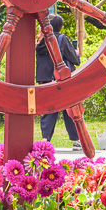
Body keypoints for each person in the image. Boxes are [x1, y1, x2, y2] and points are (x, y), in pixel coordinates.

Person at [36, 14, 82, 147]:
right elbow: (75, 60)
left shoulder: (40, 41)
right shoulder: (61, 38)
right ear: (60, 26)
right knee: (70, 107)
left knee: (49, 109)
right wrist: (76, 53)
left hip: (44, 80)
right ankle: (76, 140)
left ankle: (45, 139)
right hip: (61, 79)